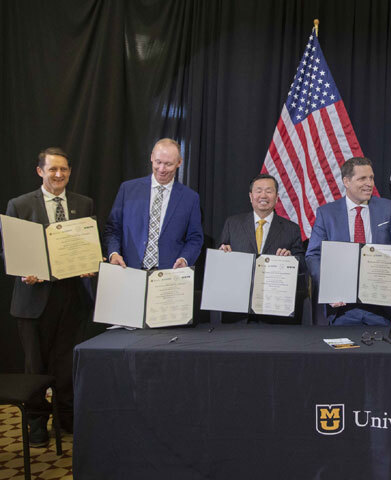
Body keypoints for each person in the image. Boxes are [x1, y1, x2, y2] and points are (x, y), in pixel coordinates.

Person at [2, 148, 94, 444]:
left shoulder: (83, 203)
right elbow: (8, 250)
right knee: (36, 366)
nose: (58, 174)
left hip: (71, 297)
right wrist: (22, 270)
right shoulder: (19, 205)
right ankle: (37, 422)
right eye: (53, 169)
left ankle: (66, 417)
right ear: (40, 171)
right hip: (33, 299)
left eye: (64, 169)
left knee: (66, 364)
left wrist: (90, 263)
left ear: (70, 172)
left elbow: (89, 245)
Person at [306, 157, 391, 325]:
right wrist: (328, 287)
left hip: (380, 306)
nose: (369, 183)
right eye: (362, 178)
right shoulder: (327, 213)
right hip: (342, 308)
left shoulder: (387, 208)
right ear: (346, 181)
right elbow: (313, 256)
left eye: (371, 178)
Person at [218, 173, 305, 323]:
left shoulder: (291, 229)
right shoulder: (232, 224)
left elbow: (303, 265)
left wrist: (290, 260)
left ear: (277, 197)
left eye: (269, 191)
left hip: (275, 315)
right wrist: (222, 255)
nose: (263, 195)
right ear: (251, 196)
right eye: (258, 191)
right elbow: (221, 257)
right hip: (237, 312)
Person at [105, 138, 203, 270]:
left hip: (168, 273)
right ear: (151, 157)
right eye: (158, 162)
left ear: (179, 162)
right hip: (129, 269)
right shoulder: (128, 190)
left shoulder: (190, 198)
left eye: (168, 164)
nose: (162, 169)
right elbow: (113, 229)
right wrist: (114, 253)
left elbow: (195, 238)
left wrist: (185, 259)